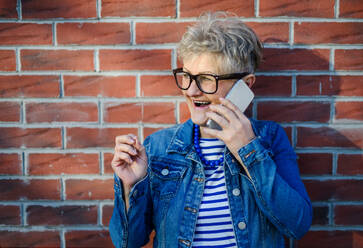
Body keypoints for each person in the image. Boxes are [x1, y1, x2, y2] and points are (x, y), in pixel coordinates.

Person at [109, 12, 312, 248]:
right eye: (186, 76)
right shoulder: (158, 148)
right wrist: (130, 187)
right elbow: (127, 243)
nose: (192, 91)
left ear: (244, 85)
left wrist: (249, 151)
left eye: (206, 79)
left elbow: (297, 225)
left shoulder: (269, 139)